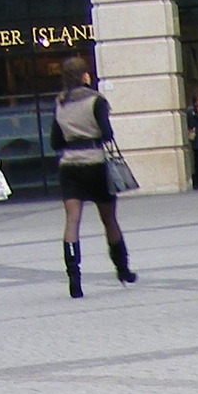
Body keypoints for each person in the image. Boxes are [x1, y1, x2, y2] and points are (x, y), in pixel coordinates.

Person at [53, 57, 136, 294]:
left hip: (69, 166)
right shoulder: (96, 100)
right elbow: (107, 133)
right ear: (84, 76)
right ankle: (122, 268)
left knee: (72, 221)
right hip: (95, 163)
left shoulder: (60, 103)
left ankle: (74, 278)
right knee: (109, 219)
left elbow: (55, 141)